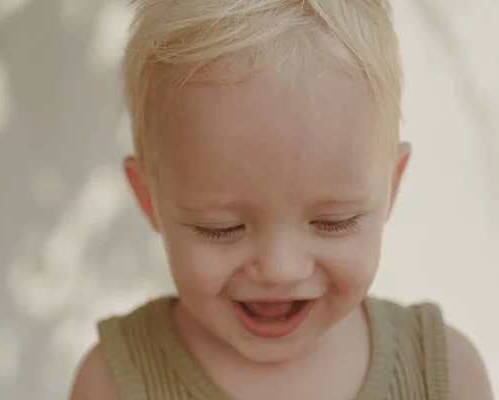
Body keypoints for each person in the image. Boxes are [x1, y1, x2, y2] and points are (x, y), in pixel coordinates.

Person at [70, 0, 494, 399]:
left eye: (334, 222)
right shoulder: (112, 382)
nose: (279, 269)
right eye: (222, 228)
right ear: (149, 199)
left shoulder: (446, 376)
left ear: (391, 189)